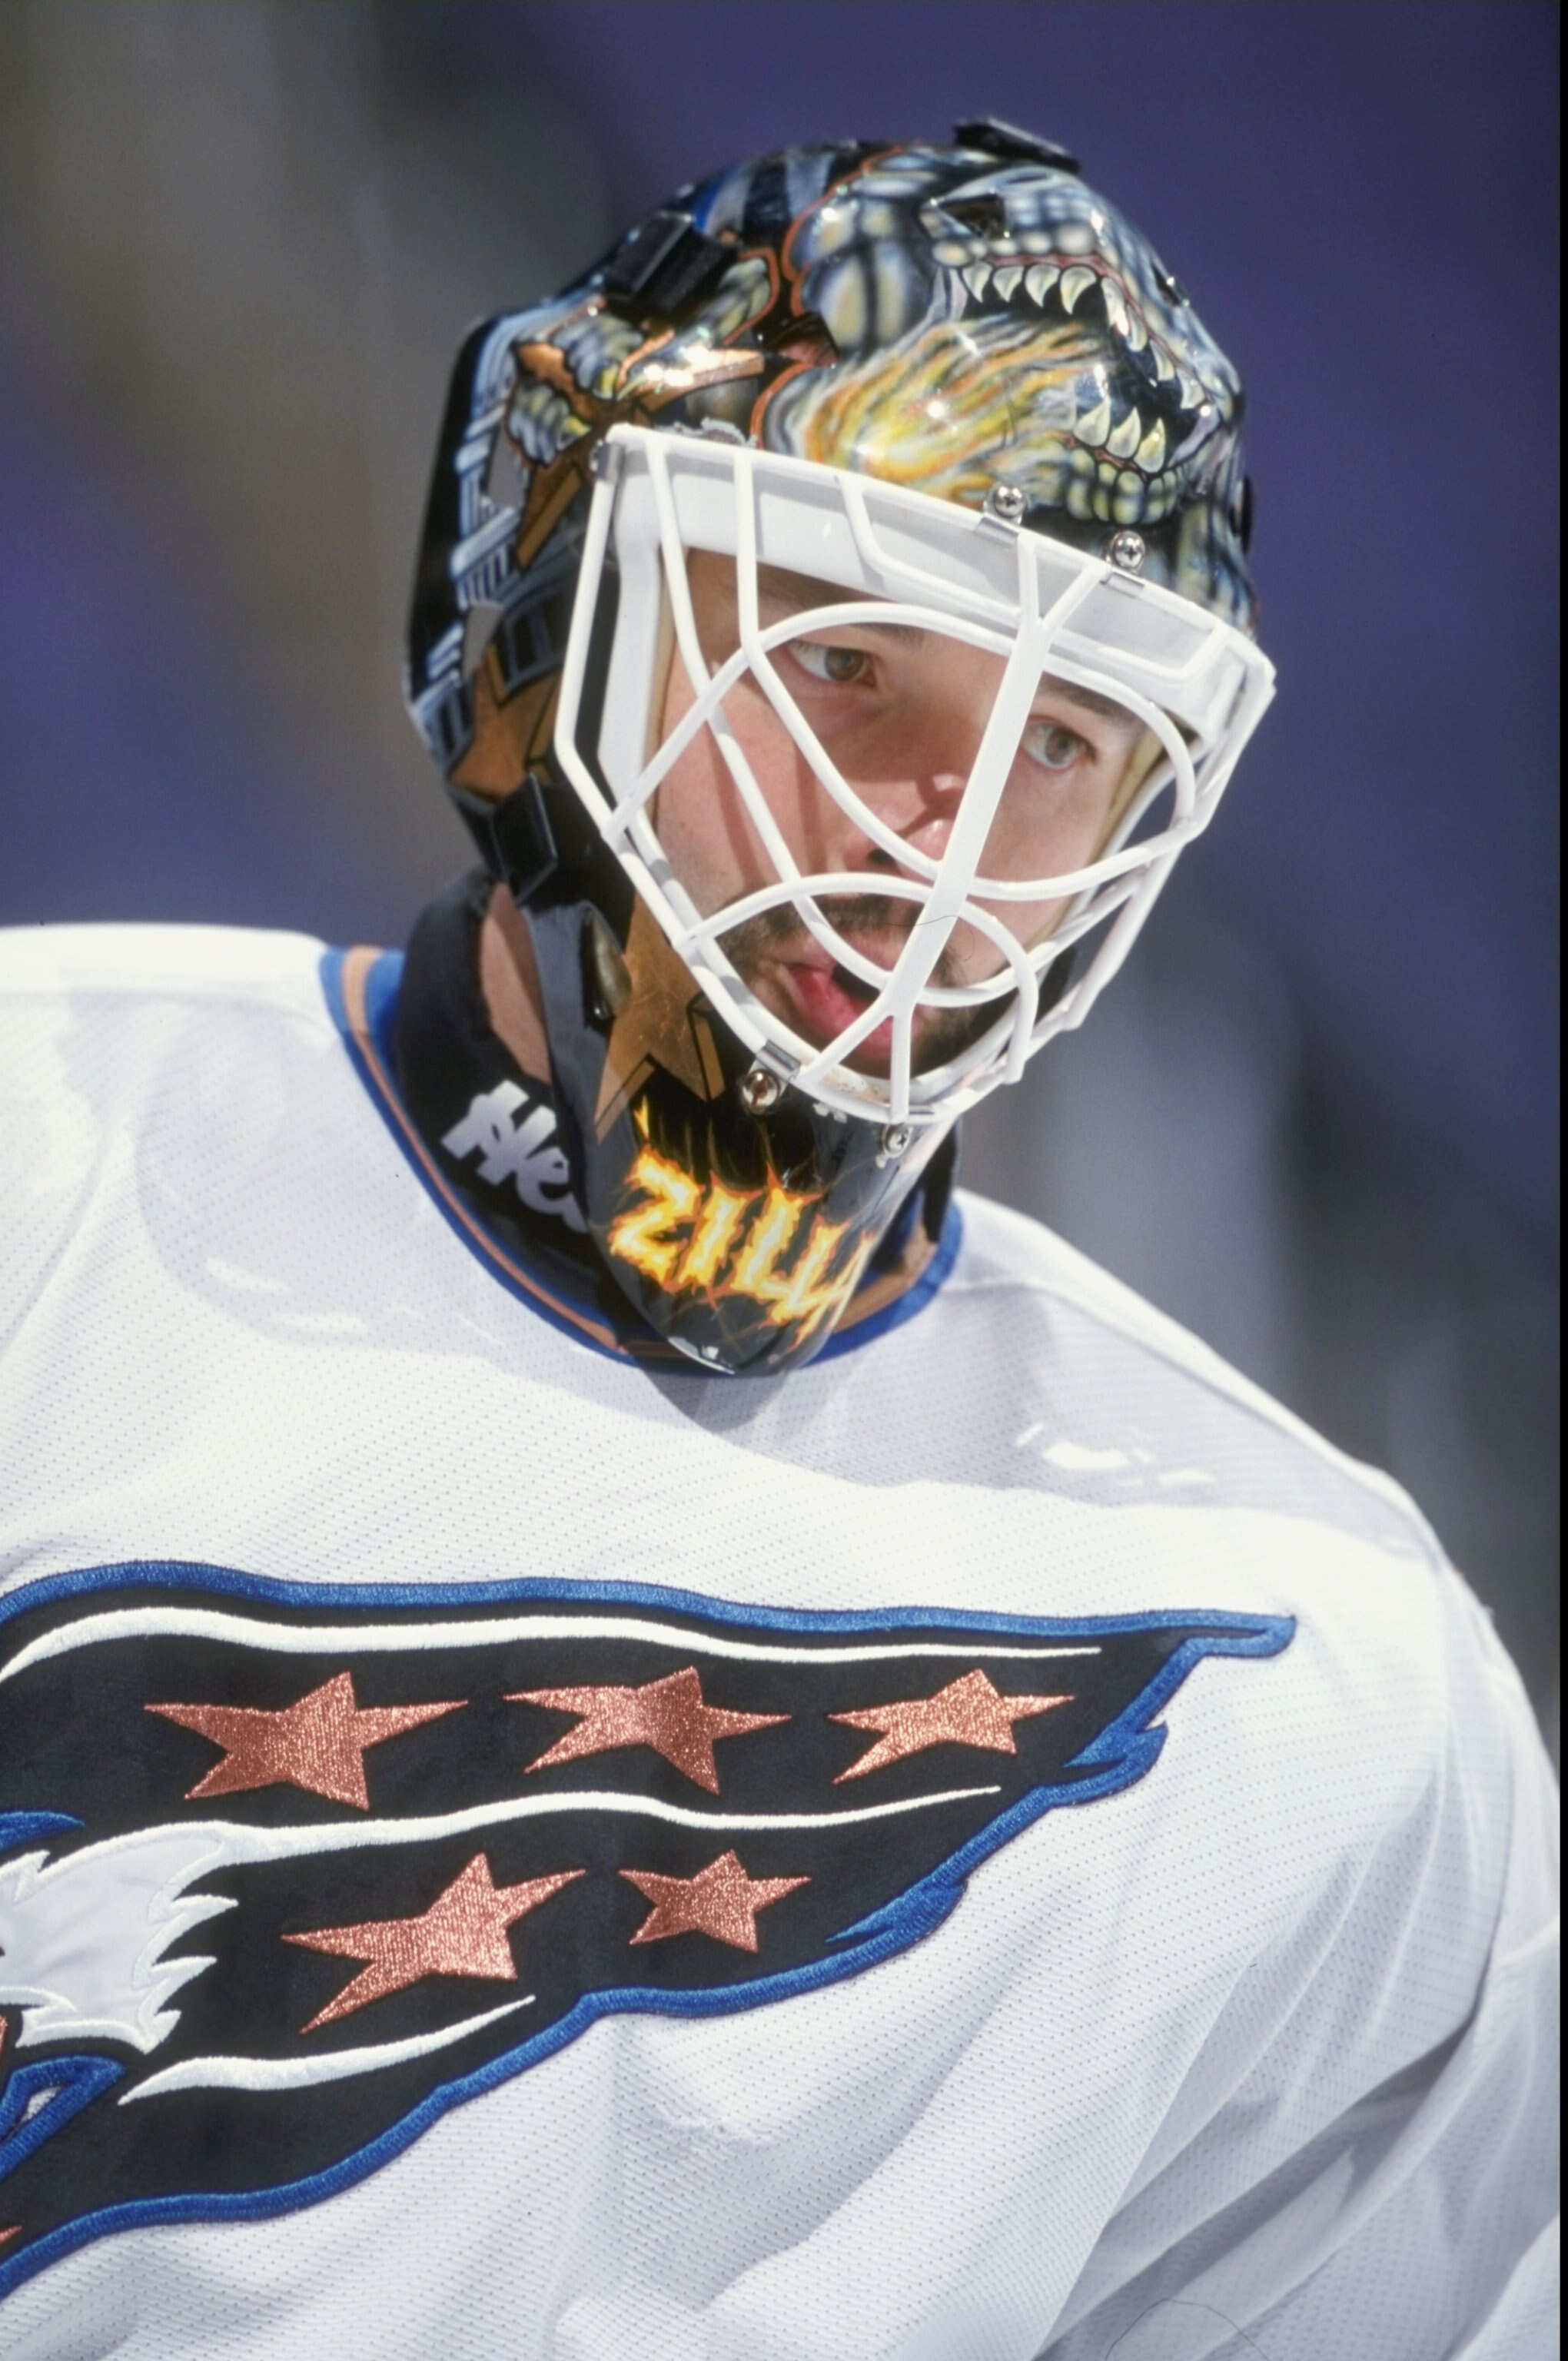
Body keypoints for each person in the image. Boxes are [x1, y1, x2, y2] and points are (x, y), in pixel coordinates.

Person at [0, 122, 1555, 2360]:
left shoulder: (1327, 1672)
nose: (945, 823)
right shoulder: (49, 1154)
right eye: (847, 667)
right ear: (558, 594)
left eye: (1067, 741)